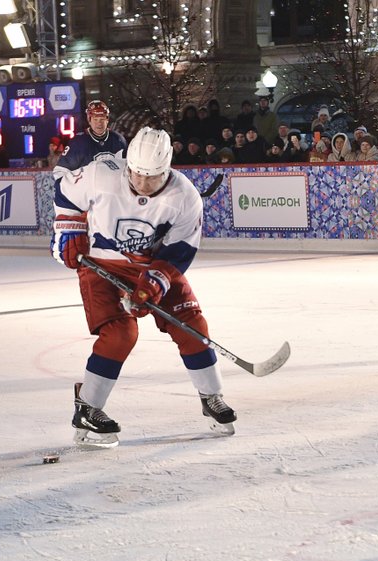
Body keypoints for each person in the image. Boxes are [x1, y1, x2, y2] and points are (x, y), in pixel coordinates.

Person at [49, 127, 237, 447]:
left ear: (168, 169)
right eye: (137, 174)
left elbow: (180, 251)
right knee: (121, 333)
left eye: (153, 177)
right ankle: (88, 408)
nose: (143, 184)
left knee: (193, 324)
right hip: (102, 265)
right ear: (128, 164)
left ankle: (211, 396)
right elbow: (64, 191)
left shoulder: (185, 196)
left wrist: (154, 284)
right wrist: (68, 231)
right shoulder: (101, 174)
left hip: (152, 266)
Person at [53, 100, 127, 180]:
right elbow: (59, 173)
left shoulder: (118, 140)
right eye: (95, 119)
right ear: (89, 120)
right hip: (87, 191)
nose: (99, 123)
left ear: (107, 120)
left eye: (102, 119)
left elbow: (127, 170)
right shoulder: (78, 143)